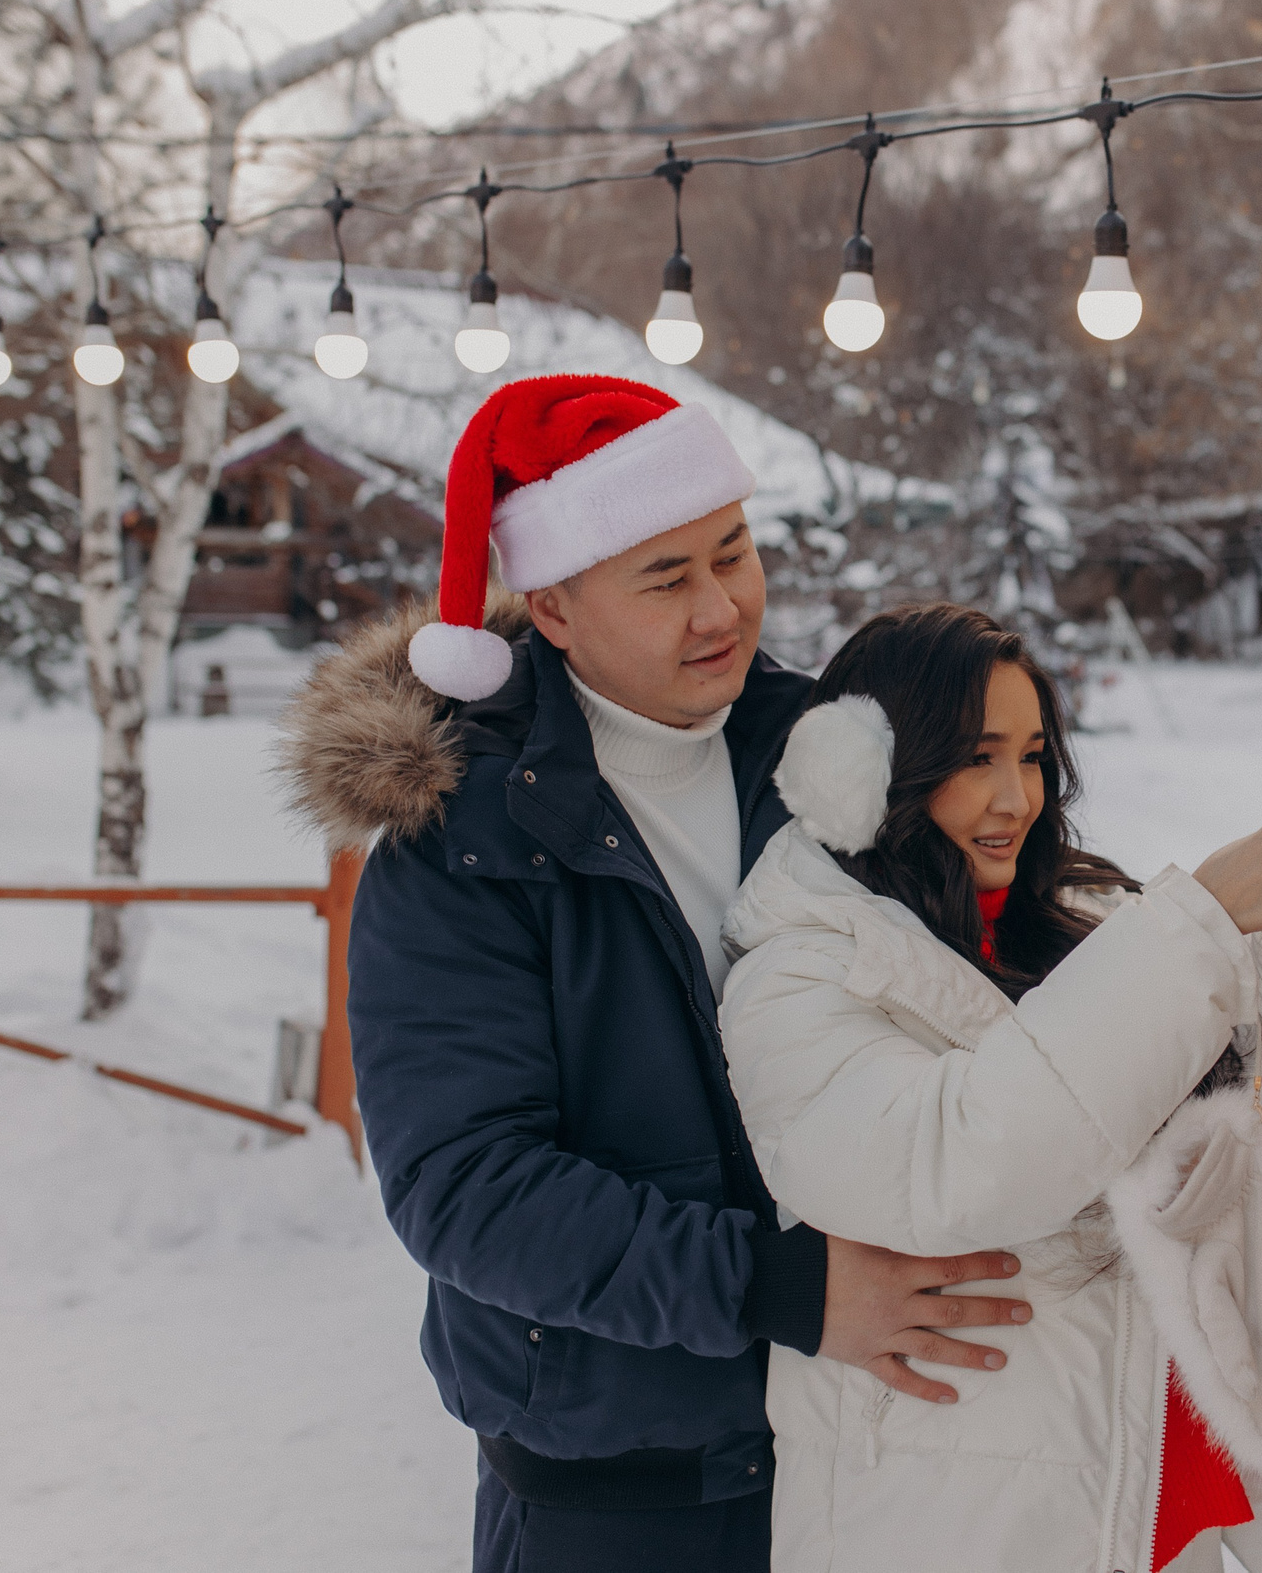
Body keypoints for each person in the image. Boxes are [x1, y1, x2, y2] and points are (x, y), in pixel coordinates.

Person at [279, 379, 1035, 1573]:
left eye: (732, 553)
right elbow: (468, 1188)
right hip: (618, 1495)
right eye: (666, 577)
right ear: (554, 606)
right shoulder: (464, 845)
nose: (721, 607)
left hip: (869, 1456)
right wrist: (780, 1288)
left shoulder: (826, 758)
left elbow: (985, 976)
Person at [718, 603, 1262, 1573]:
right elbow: (968, 1165)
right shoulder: (798, 977)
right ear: (861, 771)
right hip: (964, 1534)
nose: (1015, 796)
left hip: (1168, 1513)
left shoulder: (1087, 925)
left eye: (1031, 757)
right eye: (975, 757)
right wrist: (1201, 921)